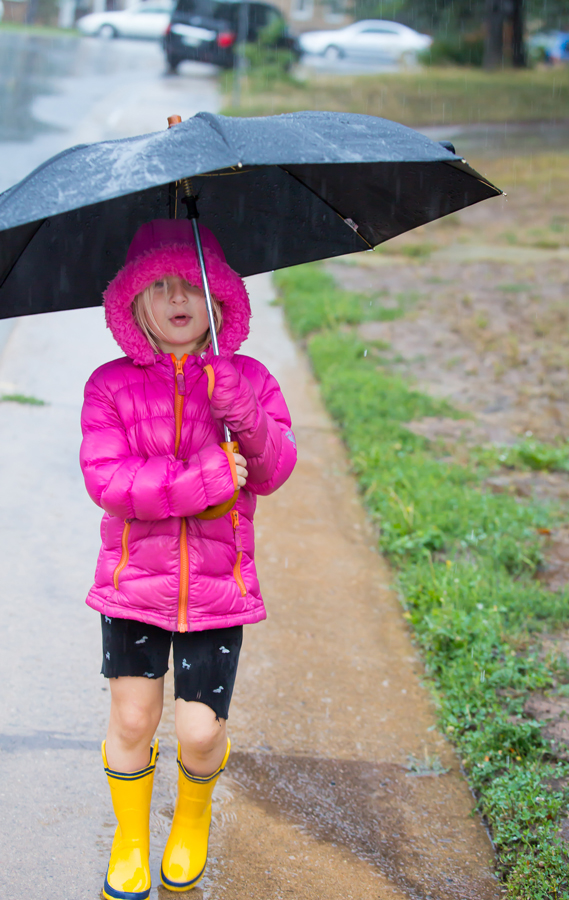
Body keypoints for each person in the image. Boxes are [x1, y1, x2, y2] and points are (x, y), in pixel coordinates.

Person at [80, 218, 297, 899]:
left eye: (193, 286)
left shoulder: (247, 380)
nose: (179, 299)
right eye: (160, 286)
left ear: (221, 299)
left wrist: (245, 415)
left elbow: (273, 469)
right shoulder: (110, 386)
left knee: (200, 735)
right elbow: (107, 483)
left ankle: (194, 812)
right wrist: (197, 480)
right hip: (133, 586)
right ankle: (132, 835)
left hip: (216, 589)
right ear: (133, 304)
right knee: (134, 721)